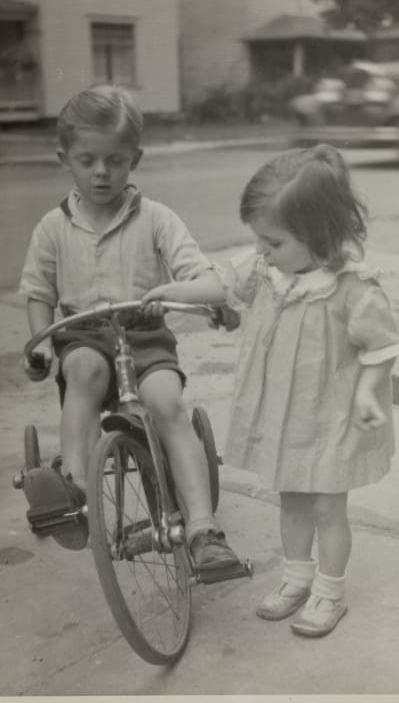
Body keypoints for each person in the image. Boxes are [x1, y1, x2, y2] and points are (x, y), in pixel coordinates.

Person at [142, 143, 399, 638]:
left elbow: (382, 348)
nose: (261, 250)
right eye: (259, 240)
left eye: (272, 241)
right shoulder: (266, 271)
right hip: (287, 417)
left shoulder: (352, 289)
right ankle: (297, 579)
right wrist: (173, 292)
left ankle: (330, 592)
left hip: (333, 419)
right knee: (291, 501)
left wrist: (368, 392)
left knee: (328, 507)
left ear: (320, 235)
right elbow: (220, 285)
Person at [20, 84, 240, 570]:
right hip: (83, 334)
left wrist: (200, 296)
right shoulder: (53, 228)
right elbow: (38, 292)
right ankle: (74, 492)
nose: (101, 172)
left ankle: (204, 530)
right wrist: (43, 344)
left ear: (134, 160)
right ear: (65, 159)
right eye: (87, 160)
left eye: (115, 161)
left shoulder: (157, 219)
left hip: (144, 336)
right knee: (83, 371)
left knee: (167, 404)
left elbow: (201, 276)